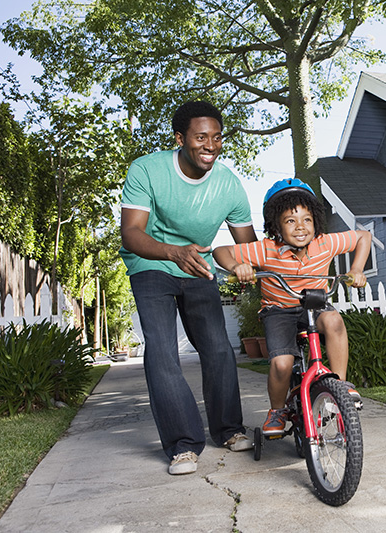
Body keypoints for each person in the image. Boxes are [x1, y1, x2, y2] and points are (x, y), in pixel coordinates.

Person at [120, 101, 256, 476]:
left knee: (217, 348)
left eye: (216, 137)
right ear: (180, 139)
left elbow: (246, 244)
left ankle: (228, 429)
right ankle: (183, 444)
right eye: (200, 137)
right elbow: (131, 234)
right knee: (162, 352)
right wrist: (172, 253)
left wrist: (248, 263)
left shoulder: (228, 183)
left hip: (198, 267)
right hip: (150, 263)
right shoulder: (147, 169)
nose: (210, 145)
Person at [213, 178, 372, 436]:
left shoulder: (325, 243)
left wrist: (356, 269)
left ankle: (339, 386)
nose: (300, 227)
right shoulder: (266, 250)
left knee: (333, 321)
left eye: (307, 219)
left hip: (315, 304)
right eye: (290, 220)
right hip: (279, 311)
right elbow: (221, 251)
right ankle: (277, 410)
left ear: (316, 221)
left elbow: (363, 237)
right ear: (277, 225)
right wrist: (236, 266)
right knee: (282, 364)